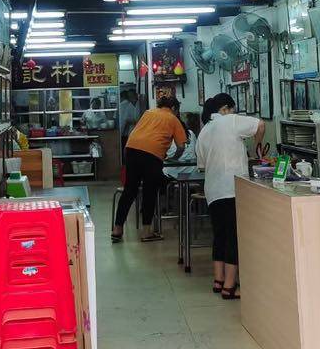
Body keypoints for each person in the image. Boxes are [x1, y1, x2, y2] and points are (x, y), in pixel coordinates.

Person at [196, 93, 264, 300]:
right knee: (234, 236)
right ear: (226, 108)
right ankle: (229, 286)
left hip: (213, 190)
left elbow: (202, 166)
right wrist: (256, 148)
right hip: (231, 188)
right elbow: (260, 125)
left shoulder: (204, 131)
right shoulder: (230, 120)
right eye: (233, 109)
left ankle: (218, 280)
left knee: (220, 235)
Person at [111, 97, 187, 243]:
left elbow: (138, 132)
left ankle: (117, 229)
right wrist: (174, 158)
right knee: (149, 192)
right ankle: (146, 232)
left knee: (129, 190)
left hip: (131, 149)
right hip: (152, 154)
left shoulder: (148, 113)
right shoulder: (173, 118)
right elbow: (181, 146)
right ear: (173, 108)